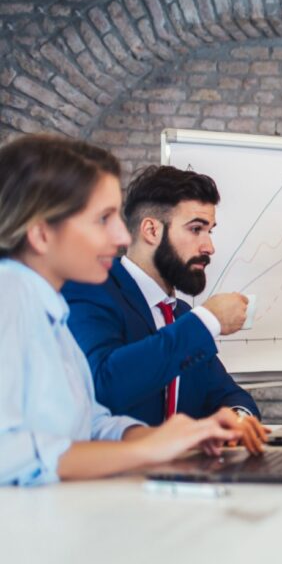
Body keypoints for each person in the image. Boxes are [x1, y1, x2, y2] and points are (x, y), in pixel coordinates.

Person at [0, 134, 245, 486]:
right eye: (103, 219)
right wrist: (146, 452)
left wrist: (173, 437)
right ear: (40, 234)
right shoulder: (9, 292)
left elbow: (91, 423)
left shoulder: (47, 309)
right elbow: (10, 453)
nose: (121, 237)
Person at [62, 165, 267, 452]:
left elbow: (229, 394)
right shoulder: (91, 289)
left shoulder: (180, 314)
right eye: (196, 229)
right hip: (115, 482)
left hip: (184, 482)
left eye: (210, 231)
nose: (209, 246)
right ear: (151, 230)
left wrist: (237, 419)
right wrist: (209, 320)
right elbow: (103, 386)